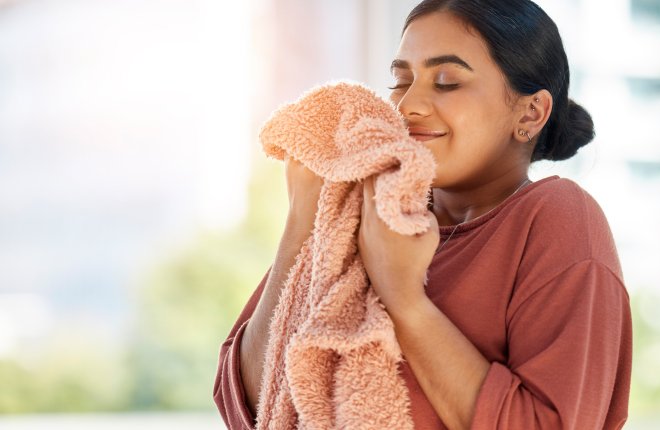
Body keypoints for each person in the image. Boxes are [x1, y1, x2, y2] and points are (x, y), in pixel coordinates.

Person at [214, 0, 632, 429]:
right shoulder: (367, 208)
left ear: (530, 112)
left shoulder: (557, 217)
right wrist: (302, 221)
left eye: (447, 81)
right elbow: (247, 405)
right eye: (401, 80)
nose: (409, 105)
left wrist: (405, 300)